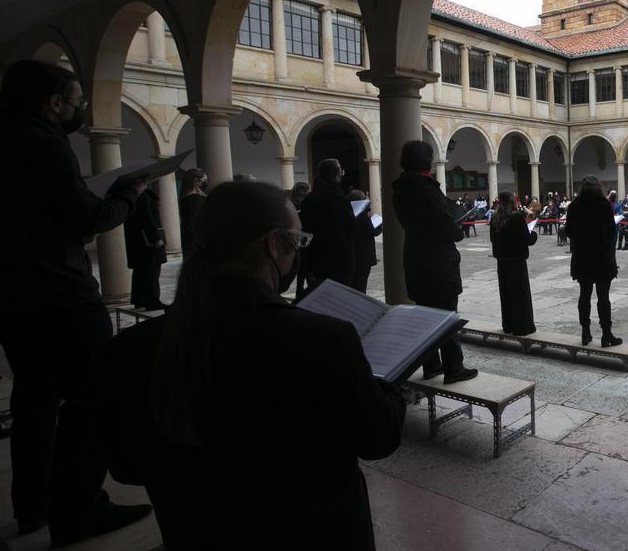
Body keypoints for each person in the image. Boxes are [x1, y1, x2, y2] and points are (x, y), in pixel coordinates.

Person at [94, 181, 405, 550]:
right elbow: (378, 437)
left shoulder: (129, 350)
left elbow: (126, 466)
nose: (296, 252)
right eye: (296, 241)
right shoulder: (322, 341)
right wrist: (386, 383)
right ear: (274, 243)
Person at [0, 60, 152, 543]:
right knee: (91, 399)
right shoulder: (46, 145)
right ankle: (78, 507)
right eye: (76, 102)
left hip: (10, 299)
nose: (79, 109)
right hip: (61, 296)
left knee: (34, 400)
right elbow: (87, 219)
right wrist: (130, 194)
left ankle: (31, 506)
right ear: (53, 103)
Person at [392, 140, 478, 383]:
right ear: (426, 161)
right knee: (447, 315)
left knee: (424, 314)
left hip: (415, 257)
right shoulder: (427, 189)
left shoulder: (399, 189)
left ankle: (431, 365)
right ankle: (454, 368)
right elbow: (446, 226)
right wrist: (458, 230)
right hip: (437, 262)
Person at [565, 176, 622, 347]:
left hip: (583, 259)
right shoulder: (604, 205)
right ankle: (606, 335)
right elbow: (612, 232)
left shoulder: (574, 206)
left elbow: (568, 231)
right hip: (602, 258)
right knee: (603, 298)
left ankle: (585, 333)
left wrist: (581, 239)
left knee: (584, 296)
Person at [299, 158, 356, 289]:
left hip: (316, 256)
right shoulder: (338, 198)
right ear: (336, 174)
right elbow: (351, 226)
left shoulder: (309, 199)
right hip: (338, 256)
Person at [490, 192, 538, 336]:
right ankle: (522, 327)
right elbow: (528, 240)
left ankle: (508, 325)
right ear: (513, 202)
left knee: (506, 294)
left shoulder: (495, 218)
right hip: (516, 262)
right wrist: (533, 233)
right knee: (519, 295)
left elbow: (493, 240)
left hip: (502, 262)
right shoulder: (517, 218)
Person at [124, 187, 168, 310]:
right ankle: (152, 300)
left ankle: (139, 300)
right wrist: (156, 239)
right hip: (147, 243)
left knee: (140, 271)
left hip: (138, 243)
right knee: (151, 270)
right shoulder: (142, 197)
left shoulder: (134, 196)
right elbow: (147, 218)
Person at [348, 189, 382, 294]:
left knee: (354, 282)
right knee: (361, 283)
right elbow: (372, 232)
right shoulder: (362, 215)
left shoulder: (348, 212)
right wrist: (380, 226)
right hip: (364, 254)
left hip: (353, 252)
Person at [178, 167, 208, 252]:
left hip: (189, 237)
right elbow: (195, 220)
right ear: (196, 181)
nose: (205, 183)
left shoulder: (185, 197)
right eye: (203, 180)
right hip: (197, 239)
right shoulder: (195, 199)